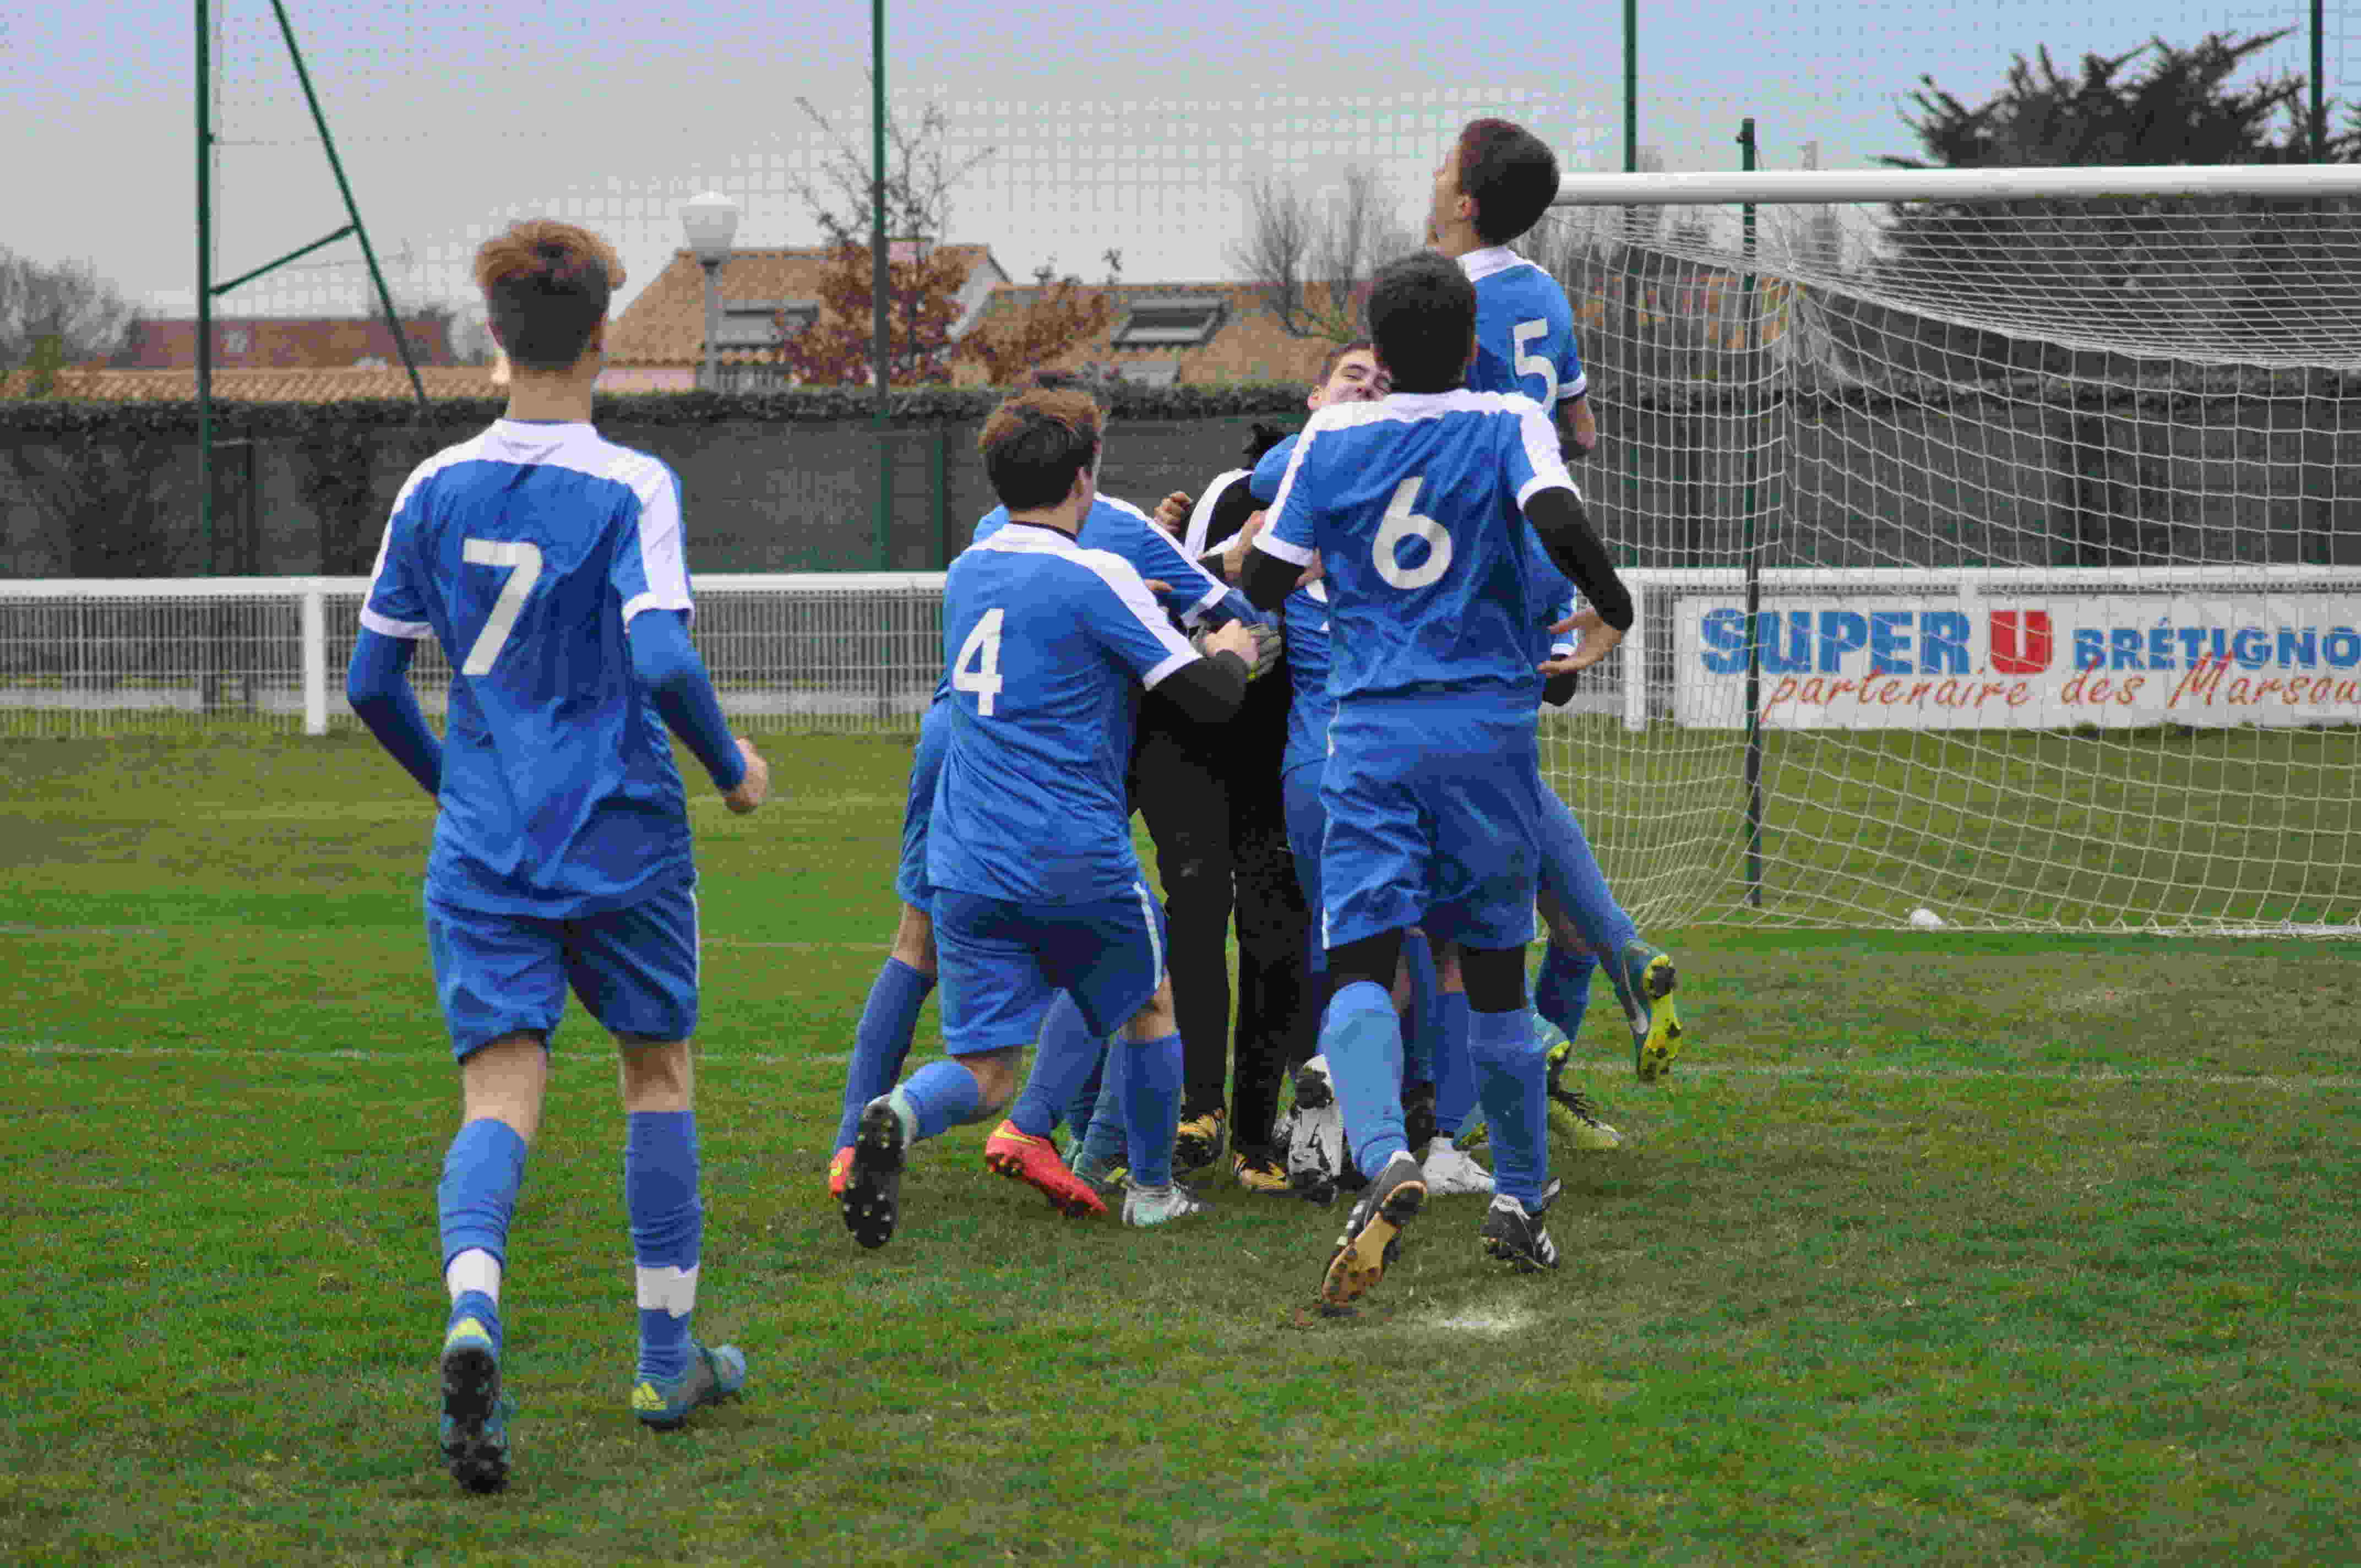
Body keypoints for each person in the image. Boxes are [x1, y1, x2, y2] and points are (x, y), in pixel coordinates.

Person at [345, 220, 764, 1493]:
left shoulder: (432, 487)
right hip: (623, 832)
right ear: (601, 340)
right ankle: (664, 1359)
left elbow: (372, 683)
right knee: (657, 1071)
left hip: (487, 845)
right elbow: (664, 659)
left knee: (497, 1091)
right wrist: (731, 765)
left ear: (493, 337)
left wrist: (463, 788)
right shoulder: (632, 485)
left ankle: (474, 1304)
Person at [1240, 251, 1635, 1307]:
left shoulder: (1329, 437)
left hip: (1368, 736)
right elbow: (1557, 516)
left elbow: (1268, 577)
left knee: (1363, 964)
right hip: (1485, 738)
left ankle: (1384, 1155)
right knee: (1493, 974)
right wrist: (1616, 605)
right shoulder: (1508, 418)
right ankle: (1520, 1200)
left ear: (1378, 342)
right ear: (1471, 343)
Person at [839, 385, 1261, 1245]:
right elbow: (1208, 700)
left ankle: (900, 1112)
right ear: (1085, 479)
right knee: (1149, 1003)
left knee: (985, 1070)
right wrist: (1232, 651)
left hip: (969, 857)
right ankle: (1153, 1191)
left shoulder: (971, 567)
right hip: (1072, 849)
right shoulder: (1096, 571)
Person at [1428, 115, 1685, 1086]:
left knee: (1477, 790)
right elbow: (1581, 431)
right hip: (1540, 556)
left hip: (1467, 569)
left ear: (1464, 201)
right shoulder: (1542, 289)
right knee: (1505, 776)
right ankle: (1562, 1035)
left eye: (1443, 167)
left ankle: (1602, 961)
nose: (1431, 177)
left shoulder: (1440, 299)